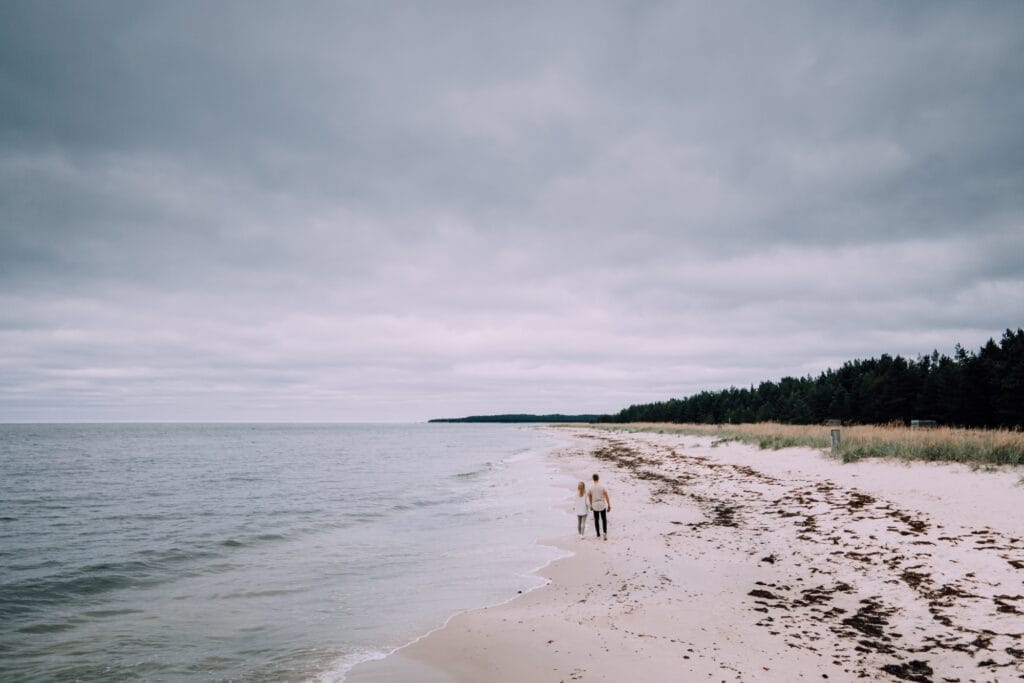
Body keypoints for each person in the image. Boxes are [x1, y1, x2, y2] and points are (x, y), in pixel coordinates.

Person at [588, 473, 611, 540]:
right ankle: (604, 533)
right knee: (604, 519)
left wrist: (591, 505)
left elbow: (589, 496)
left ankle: (598, 535)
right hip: (602, 504)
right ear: (598, 478)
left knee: (596, 520)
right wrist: (609, 505)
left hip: (595, 505)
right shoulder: (602, 486)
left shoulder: (591, 487)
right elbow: (606, 496)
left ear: (593, 479)